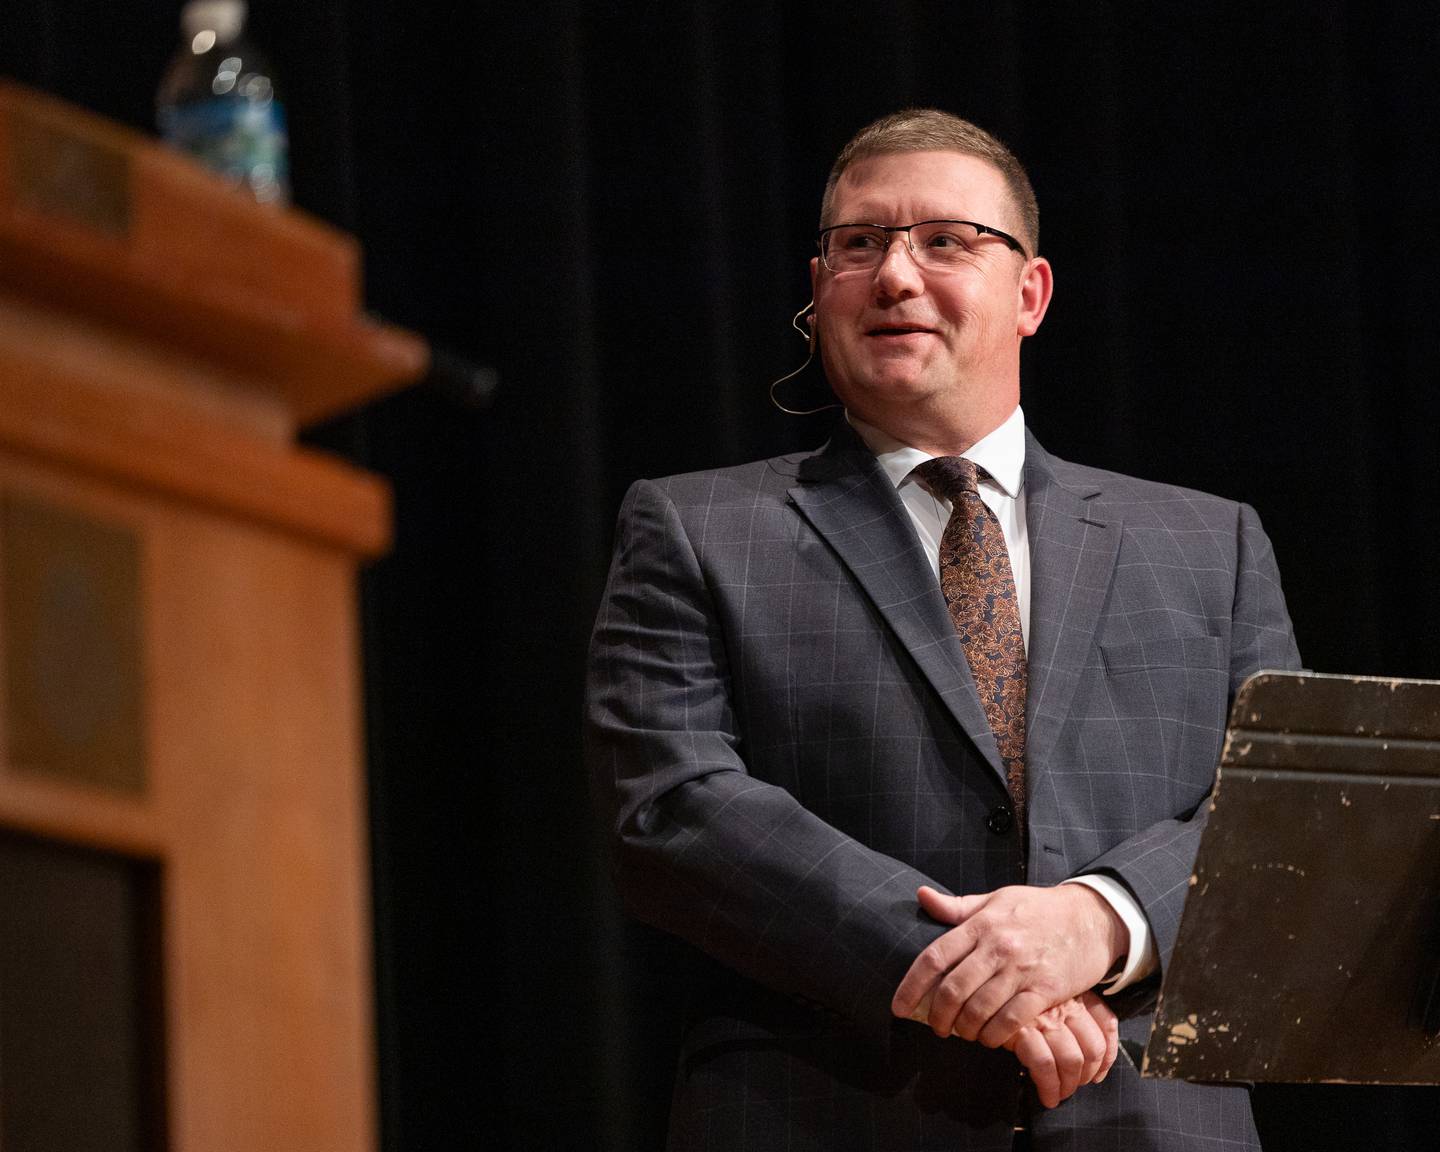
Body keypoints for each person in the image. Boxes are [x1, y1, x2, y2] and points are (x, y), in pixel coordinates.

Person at [585, 109, 1300, 1151]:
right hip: (826, 1112)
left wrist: (1096, 922)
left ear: (1031, 294)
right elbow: (669, 806)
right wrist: (970, 970)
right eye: (858, 243)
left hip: (1147, 1118)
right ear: (818, 286)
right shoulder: (695, 528)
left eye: (947, 241)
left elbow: (1280, 818)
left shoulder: (1210, 541)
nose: (895, 275)